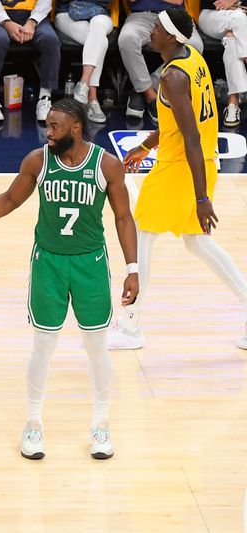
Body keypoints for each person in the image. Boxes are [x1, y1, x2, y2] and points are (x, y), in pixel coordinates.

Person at [0, 99, 139, 459]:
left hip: (90, 263)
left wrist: (132, 269)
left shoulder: (106, 165)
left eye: (55, 126)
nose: (48, 132)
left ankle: (101, 425)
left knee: (96, 348)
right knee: (43, 347)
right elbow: (10, 199)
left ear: (75, 128)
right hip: (49, 263)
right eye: (47, 125)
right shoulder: (38, 160)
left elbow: (124, 218)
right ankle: (32, 425)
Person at [109, 9, 247, 350]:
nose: (150, 32)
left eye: (155, 28)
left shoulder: (173, 77)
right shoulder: (192, 58)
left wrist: (202, 198)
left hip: (183, 167)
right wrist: (144, 145)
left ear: (171, 37)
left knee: (142, 234)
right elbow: (178, 126)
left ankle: (130, 325)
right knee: (196, 242)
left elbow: (191, 138)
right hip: (196, 163)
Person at [118, 0, 203, 122]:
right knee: (127, 38)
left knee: (194, 46)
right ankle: (150, 96)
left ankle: (146, 88)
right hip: (141, 15)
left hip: (175, 16)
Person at [0, 0, 61, 122]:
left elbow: (45, 2)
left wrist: (32, 22)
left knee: (50, 39)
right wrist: (6, 22)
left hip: (32, 15)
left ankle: (45, 97)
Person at [54, 0, 119, 123]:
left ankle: (84, 82)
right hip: (66, 13)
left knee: (99, 27)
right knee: (101, 42)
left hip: (101, 13)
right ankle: (92, 99)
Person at [198, 0, 247, 127]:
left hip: (241, 16)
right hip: (212, 15)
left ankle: (233, 103)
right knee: (238, 18)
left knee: (231, 37)